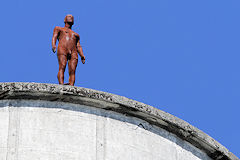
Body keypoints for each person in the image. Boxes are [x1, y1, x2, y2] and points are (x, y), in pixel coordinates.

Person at [52, 14, 85, 86]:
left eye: (72, 17)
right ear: (65, 20)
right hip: (63, 48)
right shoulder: (59, 29)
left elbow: (78, 45)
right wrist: (54, 45)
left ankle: (71, 85)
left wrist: (82, 55)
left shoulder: (76, 34)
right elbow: (54, 36)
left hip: (73, 51)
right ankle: (61, 84)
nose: (71, 18)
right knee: (62, 66)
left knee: (72, 70)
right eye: (69, 17)